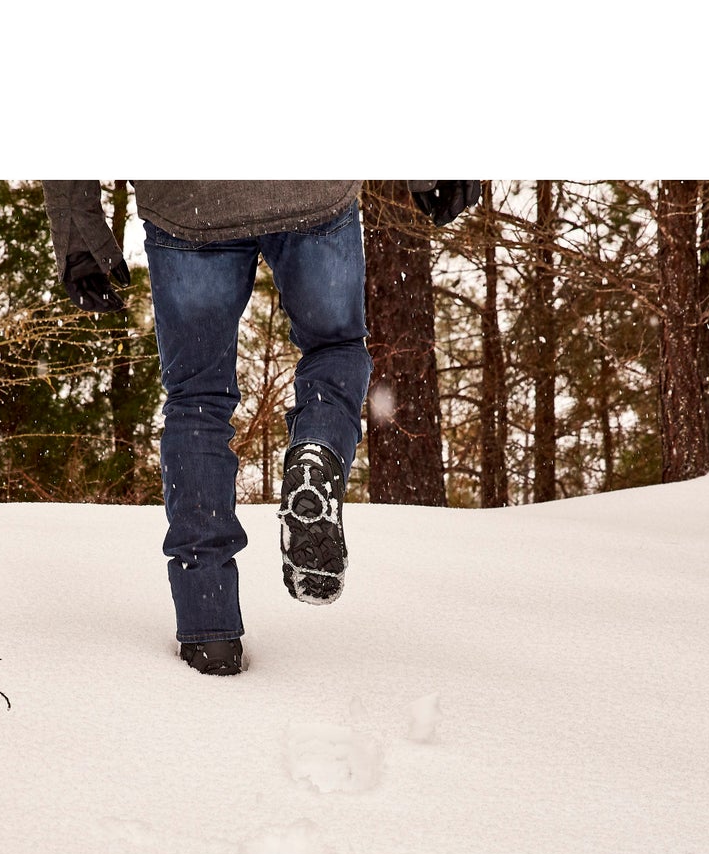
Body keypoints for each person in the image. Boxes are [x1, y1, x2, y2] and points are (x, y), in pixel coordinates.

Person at [43, 180, 481, 675]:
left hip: (188, 198)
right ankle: (316, 451)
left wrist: (78, 231)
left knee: (197, 403)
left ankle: (210, 630)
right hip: (306, 183)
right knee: (333, 349)